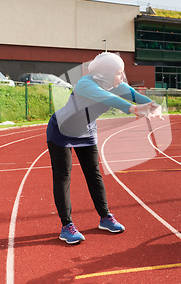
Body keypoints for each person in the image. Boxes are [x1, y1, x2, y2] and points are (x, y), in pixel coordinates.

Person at [46, 52, 162, 244]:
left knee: (94, 174)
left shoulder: (116, 85)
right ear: (107, 73)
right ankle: (66, 226)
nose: (122, 77)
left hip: (87, 131)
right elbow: (106, 98)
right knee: (63, 176)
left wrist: (153, 106)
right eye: (119, 73)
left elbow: (133, 94)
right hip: (62, 131)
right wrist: (133, 109)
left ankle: (105, 217)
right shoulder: (86, 84)